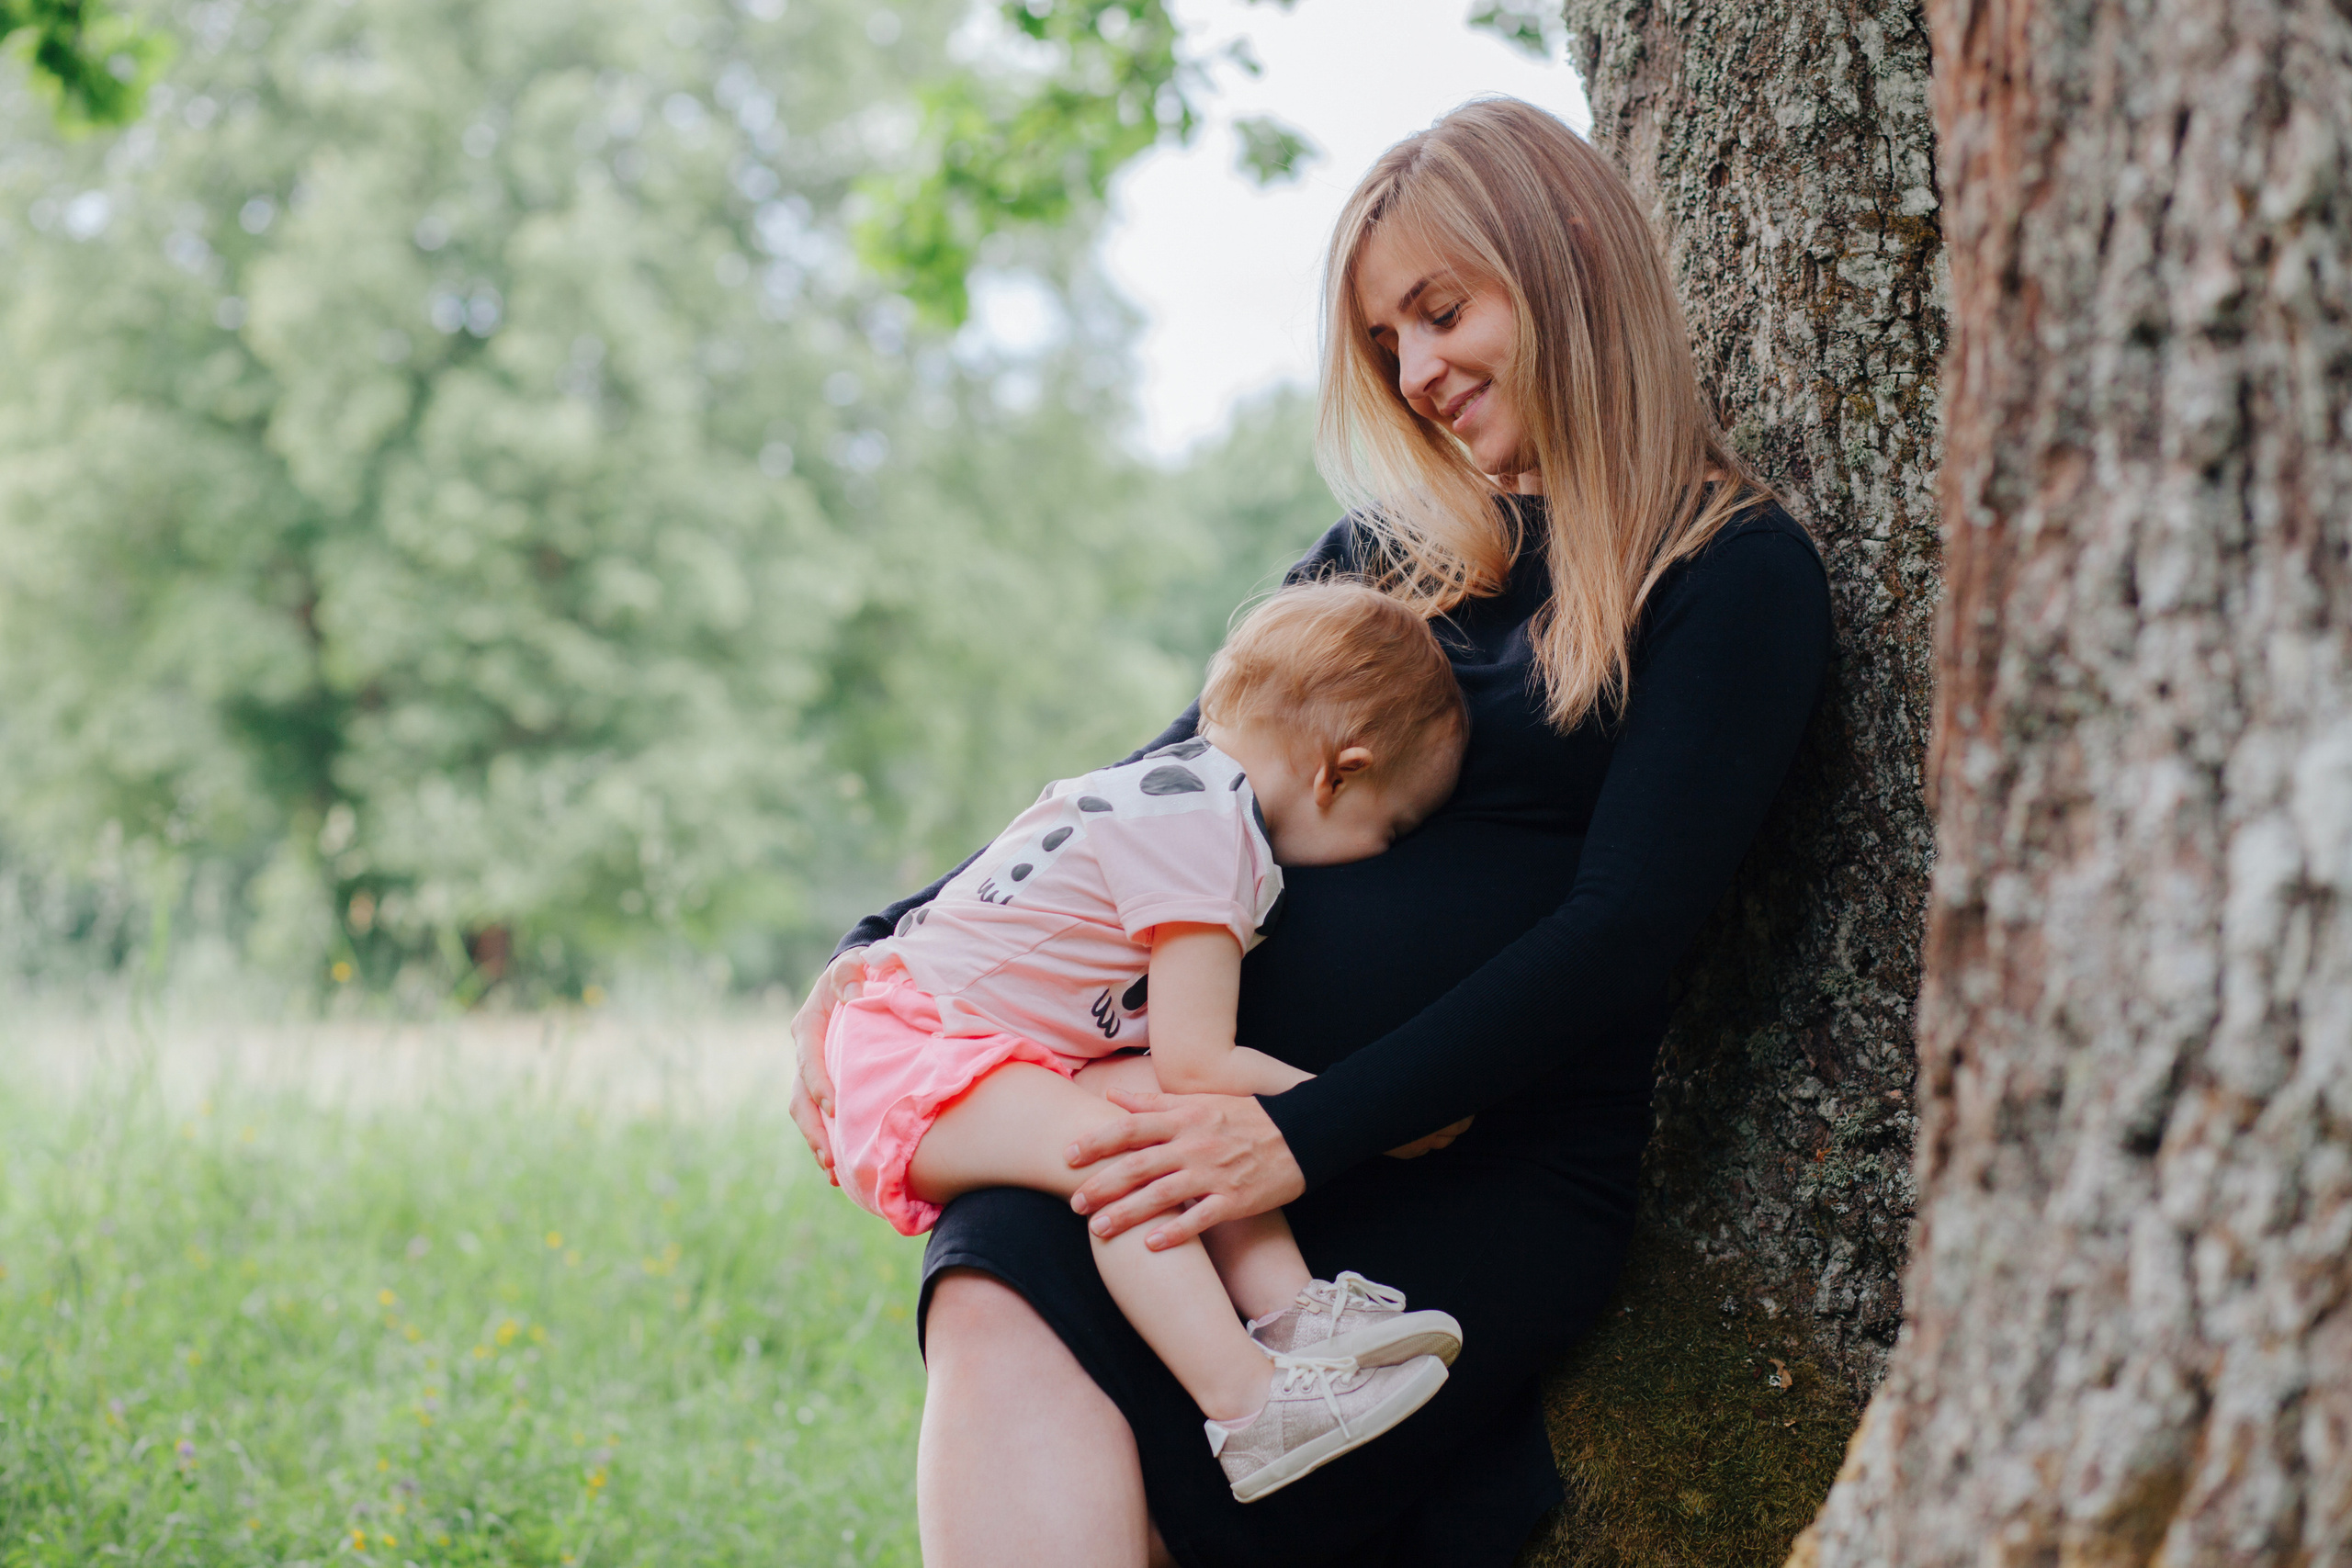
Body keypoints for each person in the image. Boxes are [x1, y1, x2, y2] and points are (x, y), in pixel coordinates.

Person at [792, 95, 1833, 1567]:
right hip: (1213, 1149)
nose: (1416, 374)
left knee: (1102, 1319)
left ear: (1569, 254)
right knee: (1003, 1254)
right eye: (1387, 342)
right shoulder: (1382, 558)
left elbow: (1623, 930)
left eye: (1441, 313)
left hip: (1453, 1170)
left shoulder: (1728, 572)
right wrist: (882, 944)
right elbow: (1155, 784)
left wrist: (1296, 1134)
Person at [819, 581, 1471, 1503]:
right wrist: (1366, 1111)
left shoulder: (1179, 790)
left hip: (954, 1037)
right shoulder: (1207, 837)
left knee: (1166, 1112)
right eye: (1393, 827)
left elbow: (1180, 1079)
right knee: (1125, 1156)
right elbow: (1201, 1060)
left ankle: (1295, 1316)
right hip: (911, 1049)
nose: (1386, 852)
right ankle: (1248, 1404)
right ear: (1339, 773)